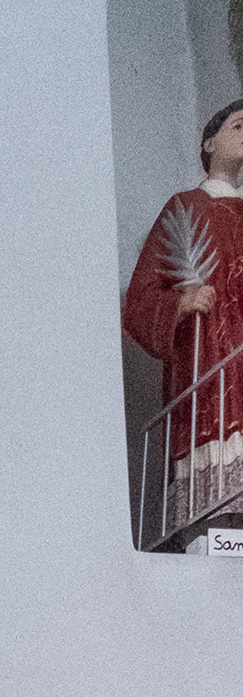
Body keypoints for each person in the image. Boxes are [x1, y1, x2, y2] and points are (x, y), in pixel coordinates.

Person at [123, 101, 243, 533]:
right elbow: (139, 300)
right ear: (209, 142)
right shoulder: (185, 207)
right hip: (207, 361)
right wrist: (182, 301)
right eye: (238, 124)